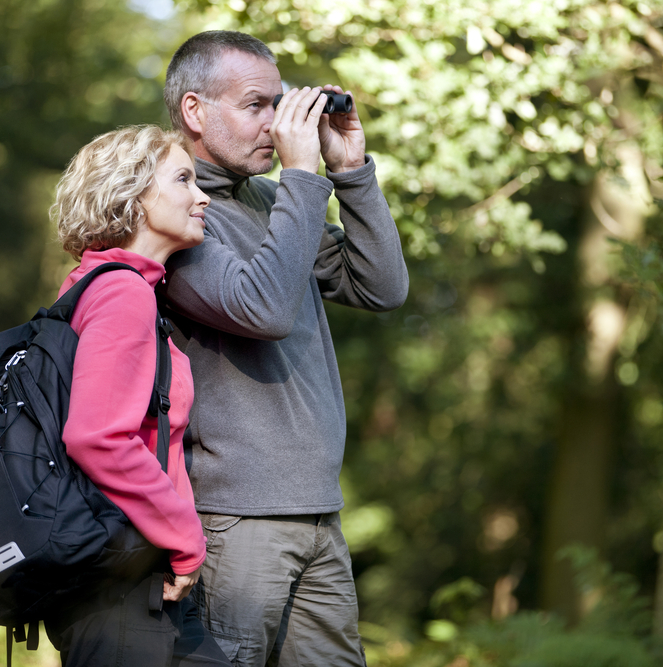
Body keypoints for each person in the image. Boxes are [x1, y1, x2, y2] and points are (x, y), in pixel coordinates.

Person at [161, 31, 409, 666]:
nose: (274, 124)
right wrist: (302, 175)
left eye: (280, 103)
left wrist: (349, 171)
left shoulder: (272, 200)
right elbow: (261, 309)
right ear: (195, 111)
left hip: (319, 511)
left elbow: (381, 286)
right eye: (254, 106)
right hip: (235, 520)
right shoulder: (177, 216)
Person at [44, 125, 231, 667]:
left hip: (124, 578)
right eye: (183, 179)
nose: (202, 197)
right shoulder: (122, 293)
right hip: (126, 583)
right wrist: (185, 539)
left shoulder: (91, 283)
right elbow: (97, 435)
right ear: (133, 194)